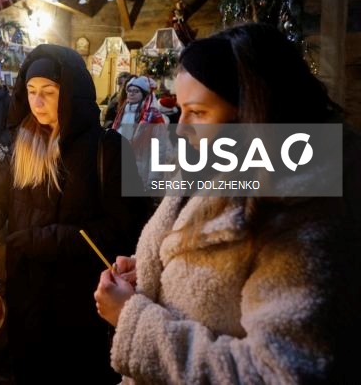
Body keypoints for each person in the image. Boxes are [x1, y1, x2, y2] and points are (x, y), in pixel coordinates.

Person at [93, 23, 361, 383]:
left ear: (251, 116)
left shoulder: (298, 212)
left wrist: (133, 318)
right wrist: (151, 270)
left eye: (198, 113)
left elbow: (279, 372)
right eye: (181, 109)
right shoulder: (211, 166)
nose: (181, 128)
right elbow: (203, 256)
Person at [0, 44, 152, 384]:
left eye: (49, 93)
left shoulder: (108, 149)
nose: (37, 103)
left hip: (81, 304)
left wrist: (43, 240)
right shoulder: (24, 144)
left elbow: (124, 231)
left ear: (70, 95)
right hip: (26, 298)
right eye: (32, 92)